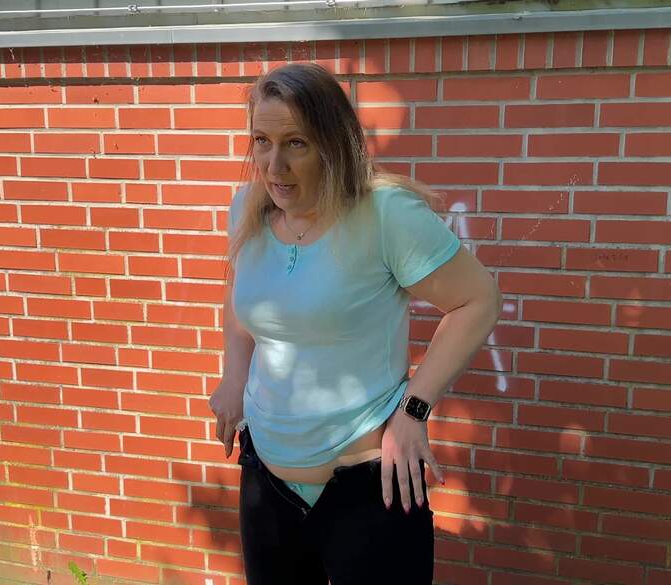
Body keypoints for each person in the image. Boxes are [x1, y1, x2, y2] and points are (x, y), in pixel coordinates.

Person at [208, 63, 501, 585]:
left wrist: (413, 410)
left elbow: (477, 300)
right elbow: (239, 299)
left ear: (333, 142)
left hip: (371, 489)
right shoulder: (245, 210)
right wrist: (234, 376)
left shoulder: (385, 214)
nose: (275, 165)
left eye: (296, 143)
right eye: (262, 141)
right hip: (265, 485)